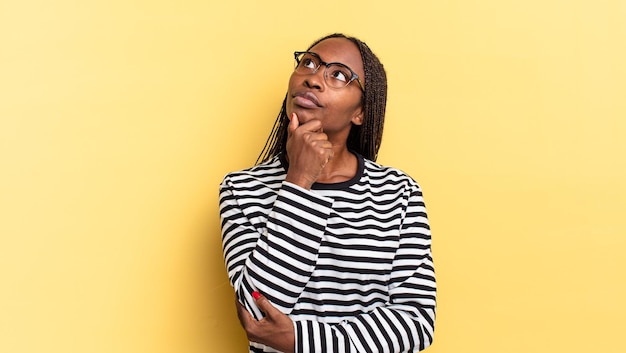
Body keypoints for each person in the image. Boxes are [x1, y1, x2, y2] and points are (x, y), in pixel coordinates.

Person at [219, 33, 436, 353]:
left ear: (360, 112)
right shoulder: (243, 189)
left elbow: (416, 322)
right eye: (308, 63)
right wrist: (299, 181)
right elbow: (258, 313)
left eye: (338, 75)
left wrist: (300, 340)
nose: (313, 79)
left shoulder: (398, 193)